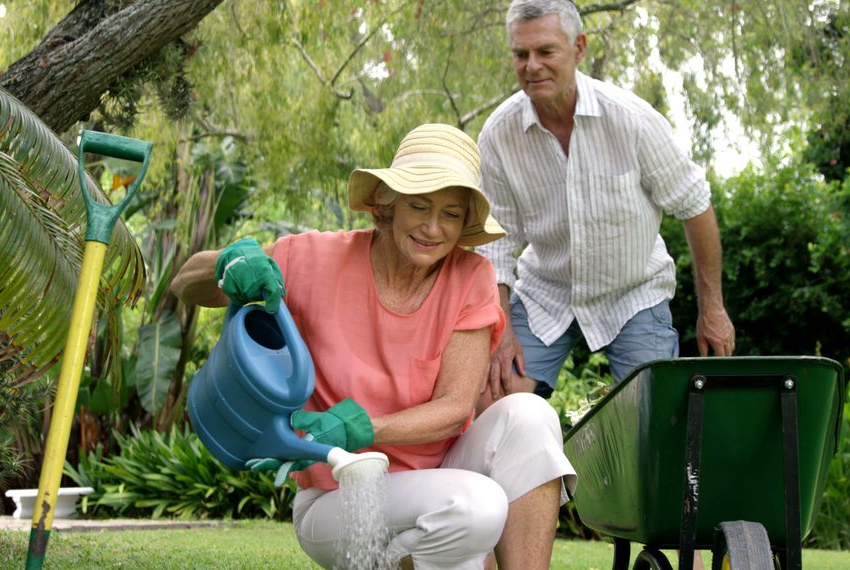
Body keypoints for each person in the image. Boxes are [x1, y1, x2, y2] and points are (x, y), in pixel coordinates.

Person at [171, 123, 576, 570]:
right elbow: (186, 282)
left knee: (532, 416)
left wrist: (365, 428)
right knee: (476, 508)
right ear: (387, 203)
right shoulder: (314, 259)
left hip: (440, 482)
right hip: (337, 495)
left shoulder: (470, 277)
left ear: (464, 224)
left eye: (451, 214)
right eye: (419, 206)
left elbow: (457, 407)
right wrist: (230, 264)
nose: (432, 227)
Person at [475, 0, 736, 411]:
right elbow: (493, 245)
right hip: (547, 291)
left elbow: (694, 205)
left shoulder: (631, 120)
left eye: (546, 51)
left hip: (633, 291)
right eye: (520, 54)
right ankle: (537, 475)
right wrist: (500, 329)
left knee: (657, 417)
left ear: (578, 48)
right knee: (493, 399)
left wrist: (713, 308)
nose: (532, 66)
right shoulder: (499, 135)